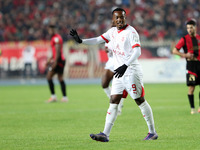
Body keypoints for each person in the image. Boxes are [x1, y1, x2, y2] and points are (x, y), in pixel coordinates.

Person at [70, 8, 157, 141]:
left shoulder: (131, 32)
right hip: (119, 72)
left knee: (140, 100)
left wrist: (125, 65)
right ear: (113, 19)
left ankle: (152, 132)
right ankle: (105, 134)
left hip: (131, 71)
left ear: (125, 17)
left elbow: (137, 52)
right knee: (113, 101)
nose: (119, 20)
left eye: (121, 17)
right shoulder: (112, 32)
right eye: (116, 18)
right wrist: (81, 41)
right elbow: (98, 40)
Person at [172, 19, 200, 114]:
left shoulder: (199, 38)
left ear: (195, 28)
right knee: (191, 87)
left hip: (199, 64)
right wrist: (185, 55)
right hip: (191, 66)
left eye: (191, 27)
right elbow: (174, 51)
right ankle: (192, 109)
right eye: (188, 28)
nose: (189, 30)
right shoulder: (184, 39)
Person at [46, 24, 68, 103]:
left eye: (51, 30)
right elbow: (54, 52)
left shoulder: (56, 38)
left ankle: (53, 97)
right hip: (59, 60)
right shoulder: (54, 38)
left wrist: (55, 62)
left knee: (49, 77)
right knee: (60, 78)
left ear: (54, 30)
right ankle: (64, 97)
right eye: (49, 30)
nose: (50, 31)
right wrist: (49, 60)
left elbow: (58, 51)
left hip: (59, 60)